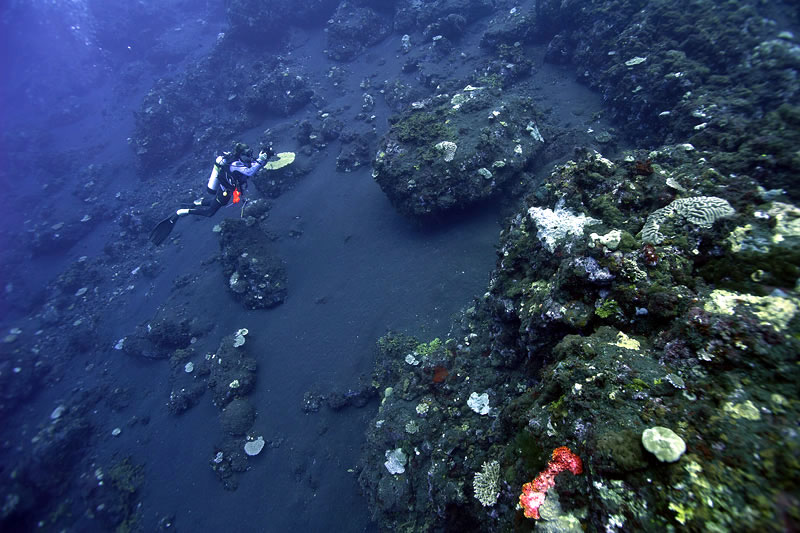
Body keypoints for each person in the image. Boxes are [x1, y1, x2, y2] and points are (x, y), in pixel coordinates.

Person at [150, 142, 273, 245]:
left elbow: (252, 166)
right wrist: (261, 160)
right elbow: (250, 172)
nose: (250, 155)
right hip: (224, 192)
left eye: (250, 152)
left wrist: (263, 158)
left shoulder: (241, 161)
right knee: (210, 212)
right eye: (247, 153)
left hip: (225, 189)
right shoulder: (235, 164)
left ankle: (195, 202)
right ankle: (182, 212)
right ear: (241, 154)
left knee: (215, 202)